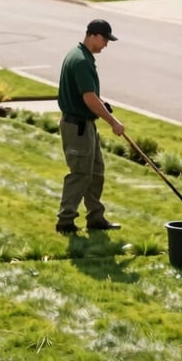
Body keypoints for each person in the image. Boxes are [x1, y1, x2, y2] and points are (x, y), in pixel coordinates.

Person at [56, 19, 125, 234]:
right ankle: (65, 221)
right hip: (77, 126)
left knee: (96, 172)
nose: (106, 44)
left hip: (85, 126)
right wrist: (113, 122)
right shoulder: (81, 61)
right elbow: (88, 98)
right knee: (80, 173)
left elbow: (90, 95)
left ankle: (95, 217)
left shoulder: (81, 55)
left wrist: (101, 103)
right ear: (93, 35)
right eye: (105, 39)